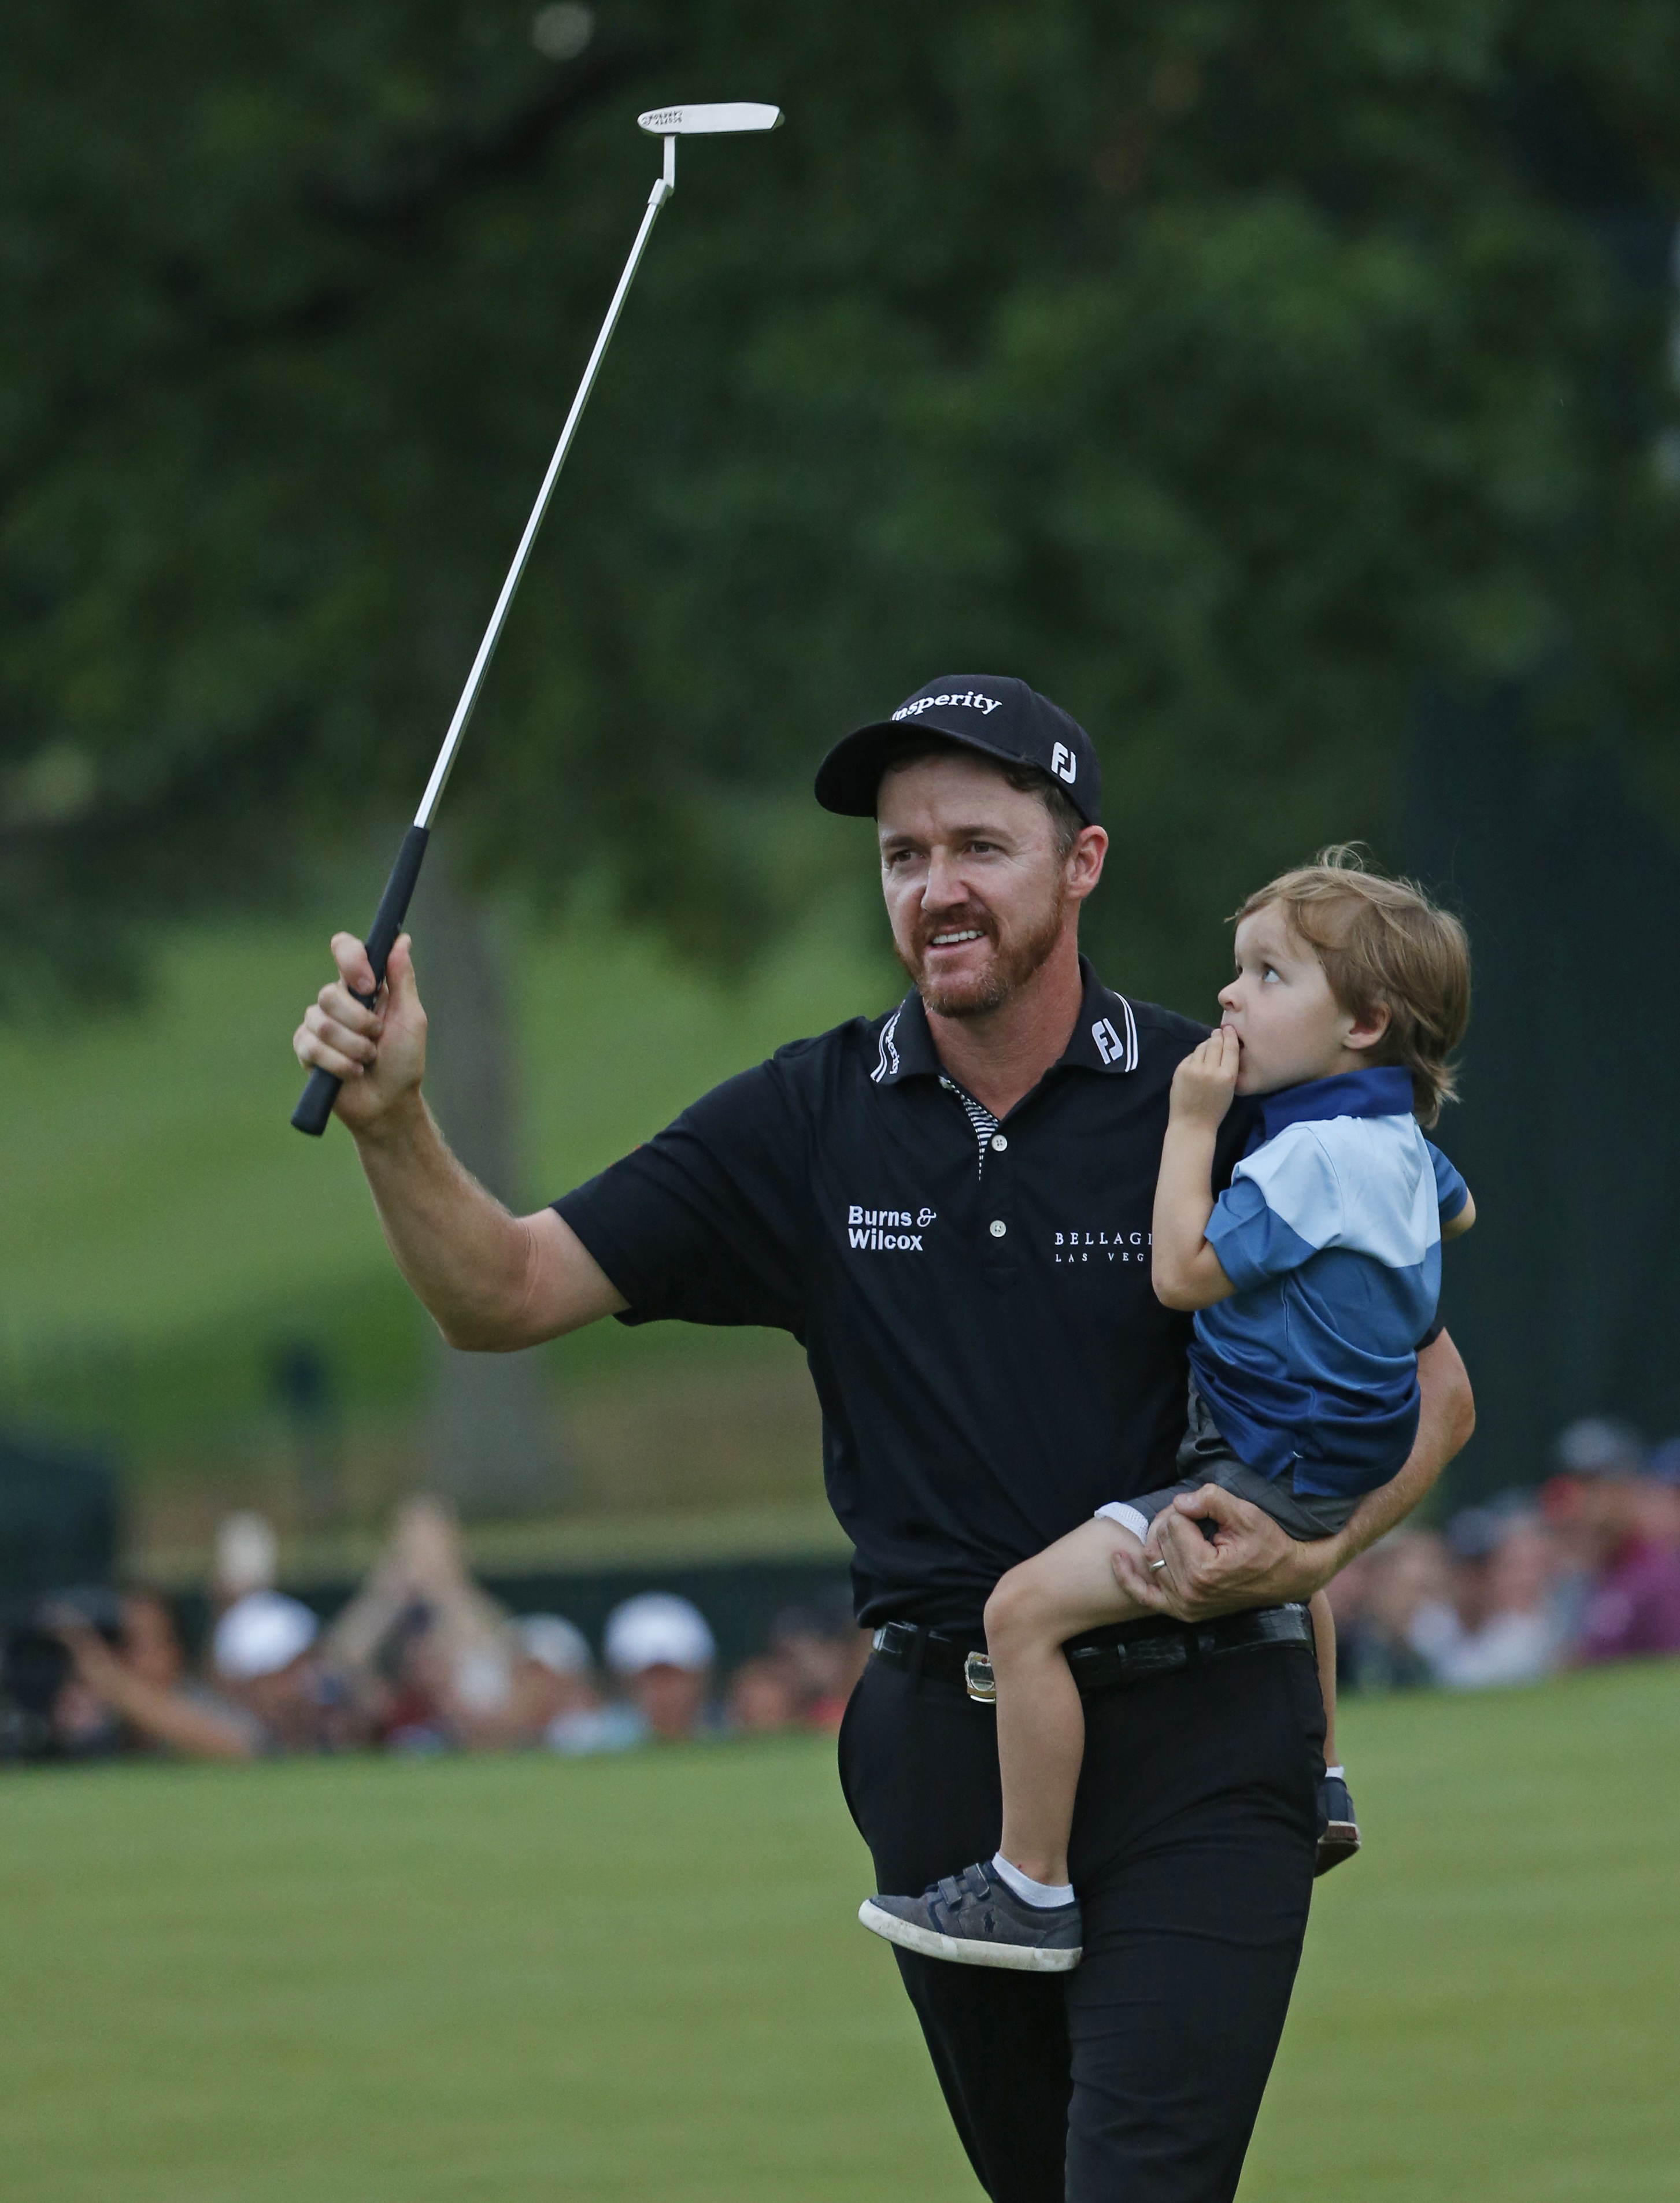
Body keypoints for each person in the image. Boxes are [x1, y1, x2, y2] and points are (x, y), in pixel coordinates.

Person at [293, 673, 1475, 2203]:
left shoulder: (1233, 1094)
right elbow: (501, 1292)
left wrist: (1315, 1546)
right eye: (903, 857)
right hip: (940, 1752)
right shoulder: (805, 1117)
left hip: (1207, 1732)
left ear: (1081, 862)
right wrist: (395, 1121)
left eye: (978, 845)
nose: (937, 888)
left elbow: (1436, 1394)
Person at [859, 852, 1474, 1967]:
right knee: (1302, 1575)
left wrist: (1192, 1122)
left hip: (1258, 1464)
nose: (1230, 997)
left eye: (1269, 977)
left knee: (1019, 1613)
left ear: (1366, 1022)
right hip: (1335, 1460)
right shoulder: (1398, 1143)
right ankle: (1320, 1774)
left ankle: (1027, 1889)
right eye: (1237, 970)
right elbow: (1457, 1215)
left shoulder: (1312, 1157)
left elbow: (1182, 1273)